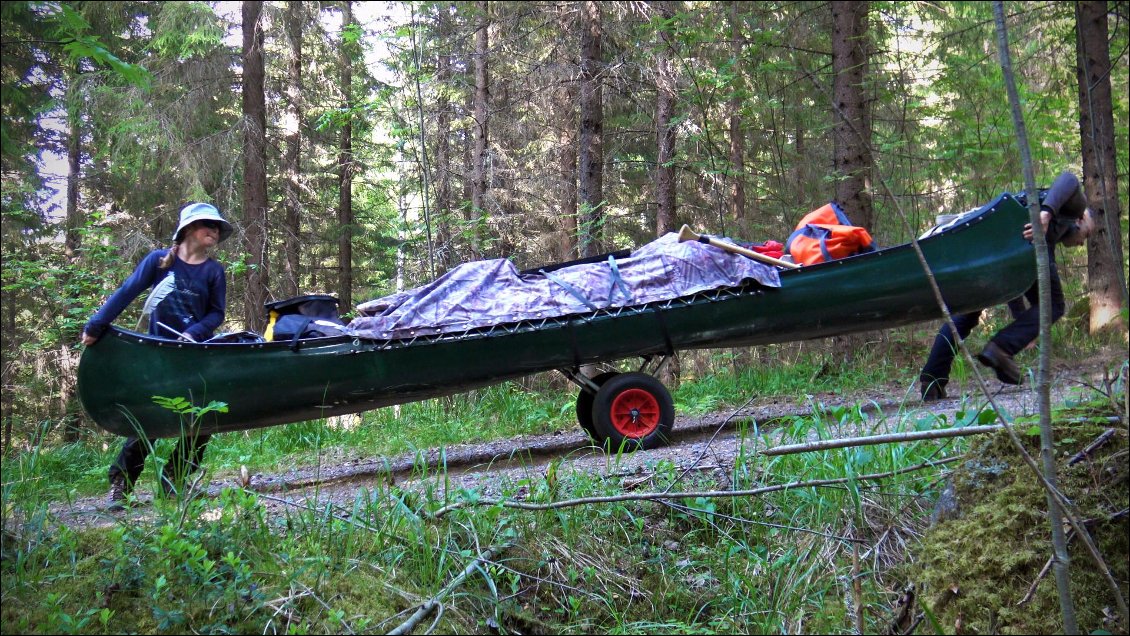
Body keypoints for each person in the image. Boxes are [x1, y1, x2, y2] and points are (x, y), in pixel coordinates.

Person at [81, 202, 233, 509]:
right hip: (158, 355)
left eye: (217, 227)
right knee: (150, 417)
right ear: (189, 229)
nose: (214, 231)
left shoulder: (214, 271)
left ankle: (174, 480)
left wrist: (194, 333)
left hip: (195, 353)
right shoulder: (160, 262)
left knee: (202, 416)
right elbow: (127, 291)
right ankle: (121, 485)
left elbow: (217, 313)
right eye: (208, 225)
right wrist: (96, 325)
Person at [919, 171, 1095, 401]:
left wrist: (1023, 329)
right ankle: (1000, 348)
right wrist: (1046, 214)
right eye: (1087, 234)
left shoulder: (1047, 241)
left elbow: (1016, 285)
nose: (1082, 242)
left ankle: (932, 380)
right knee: (1055, 304)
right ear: (1080, 220)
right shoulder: (1071, 209)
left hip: (992, 248)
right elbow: (1069, 179)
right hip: (1003, 242)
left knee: (966, 313)